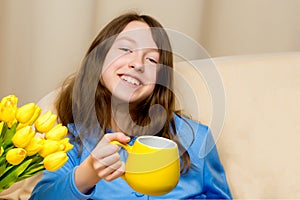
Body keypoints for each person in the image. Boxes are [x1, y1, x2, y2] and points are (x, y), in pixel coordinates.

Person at [30, 12, 232, 199]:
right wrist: (88, 173)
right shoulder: (69, 140)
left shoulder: (197, 138)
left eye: (152, 59)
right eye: (126, 49)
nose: (138, 64)